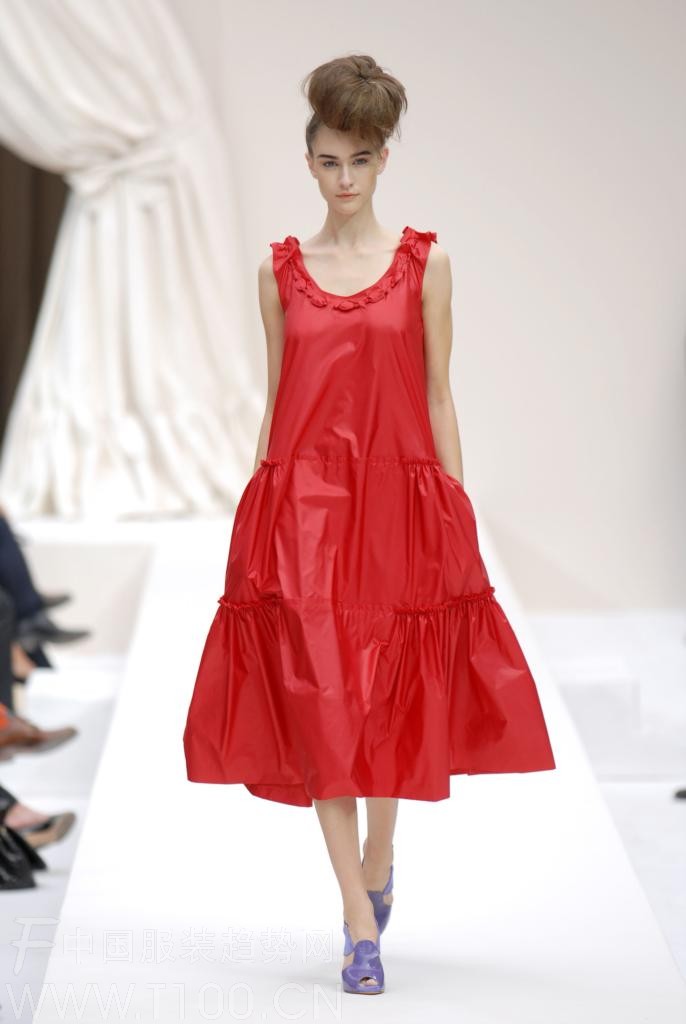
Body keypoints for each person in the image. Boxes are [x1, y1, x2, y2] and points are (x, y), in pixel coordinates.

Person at [183, 53, 557, 995]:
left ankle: (382, 855)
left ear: (384, 159)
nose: (343, 180)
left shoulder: (425, 265)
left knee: (388, 698)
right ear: (307, 160)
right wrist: (259, 504)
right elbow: (279, 398)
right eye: (328, 161)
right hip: (305, 511)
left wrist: (453, 511)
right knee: (321, 705)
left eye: (359, 161)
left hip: (398, 507)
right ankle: (358, 919)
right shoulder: (279, 273)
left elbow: (438, 393)